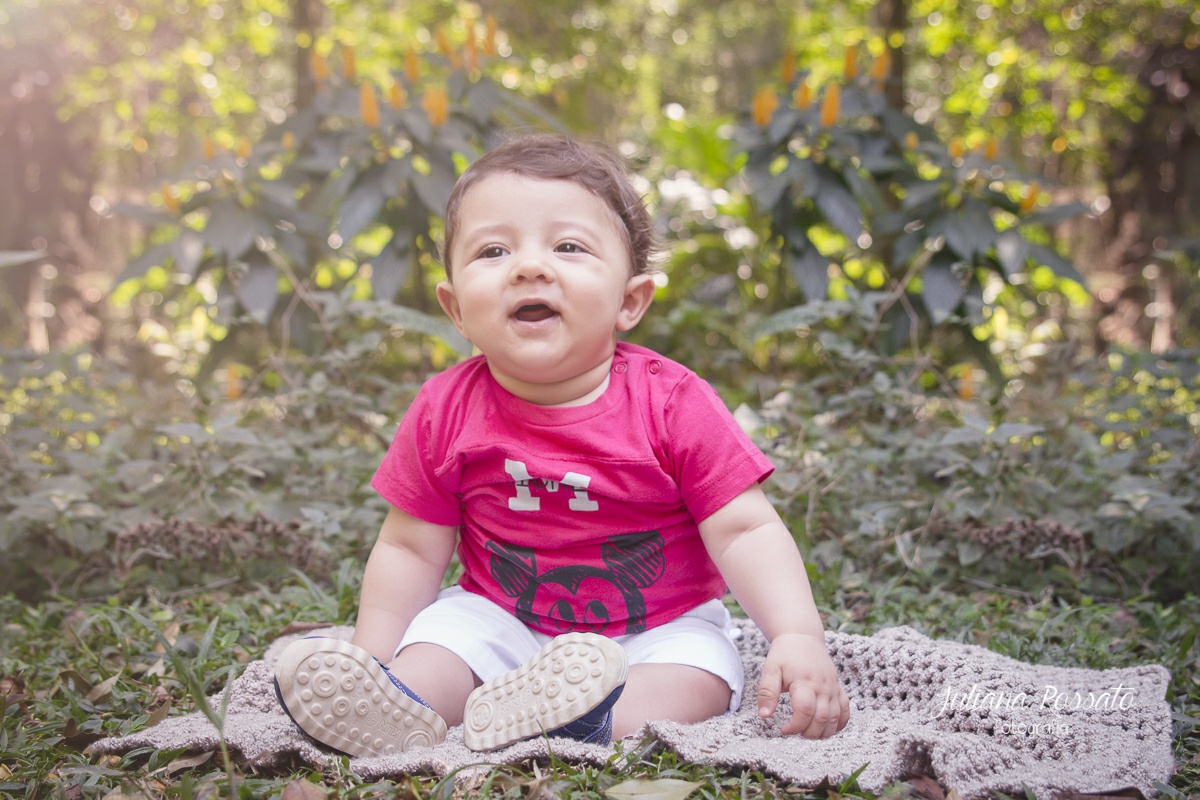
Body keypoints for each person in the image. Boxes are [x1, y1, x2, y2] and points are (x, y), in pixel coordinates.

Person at [274, 133, 850, 758]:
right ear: (456, 309)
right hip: (500, 617)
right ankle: (395, 703)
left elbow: (744, 531)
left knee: (699, 679)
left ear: (630, 299)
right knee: (439, 647)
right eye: (493, 250)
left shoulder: (672, 403)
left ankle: (581, 719)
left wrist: (796, 634)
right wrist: (374, 656)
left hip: (658, 628)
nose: (528, 266)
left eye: (568, 246)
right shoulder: (446, 408)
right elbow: (411, 548)